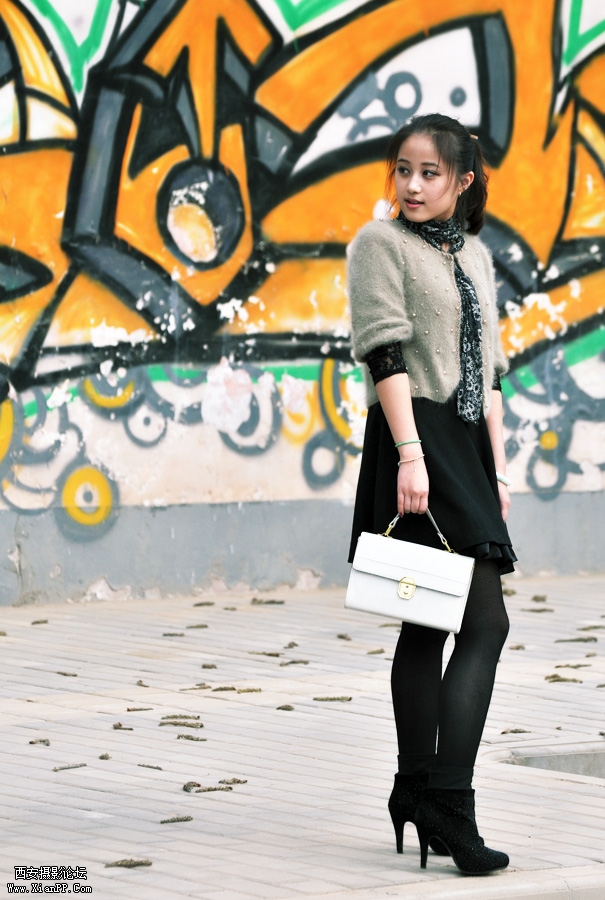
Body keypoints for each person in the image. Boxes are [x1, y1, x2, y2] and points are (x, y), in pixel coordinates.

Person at [346, 113, 516, 876]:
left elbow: (491, 374)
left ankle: (415, 786)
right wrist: (410, 455)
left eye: (429, 173)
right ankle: (449, 798)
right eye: (403, 170)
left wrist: (498, 471)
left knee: (429, 621)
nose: (411, 186)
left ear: (461, 181)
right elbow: (382, 351)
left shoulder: (474, 255)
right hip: (415, 436)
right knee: (484, 622)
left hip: (465, 442)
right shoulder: (378, 244)